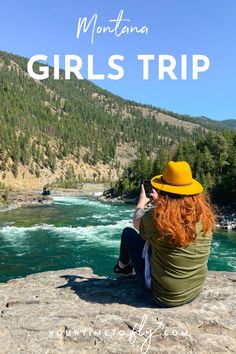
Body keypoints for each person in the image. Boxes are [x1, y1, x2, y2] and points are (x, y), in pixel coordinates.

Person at [114, 161, 216, 307]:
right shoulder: (205, 214)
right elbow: (178, 213)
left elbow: (137, 222)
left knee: (128, 233)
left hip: (163, 297)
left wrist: (141, 203)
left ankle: (123, 268)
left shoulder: (157, 218)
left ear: (164, 190)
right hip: (194, 291)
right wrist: (161, 202)